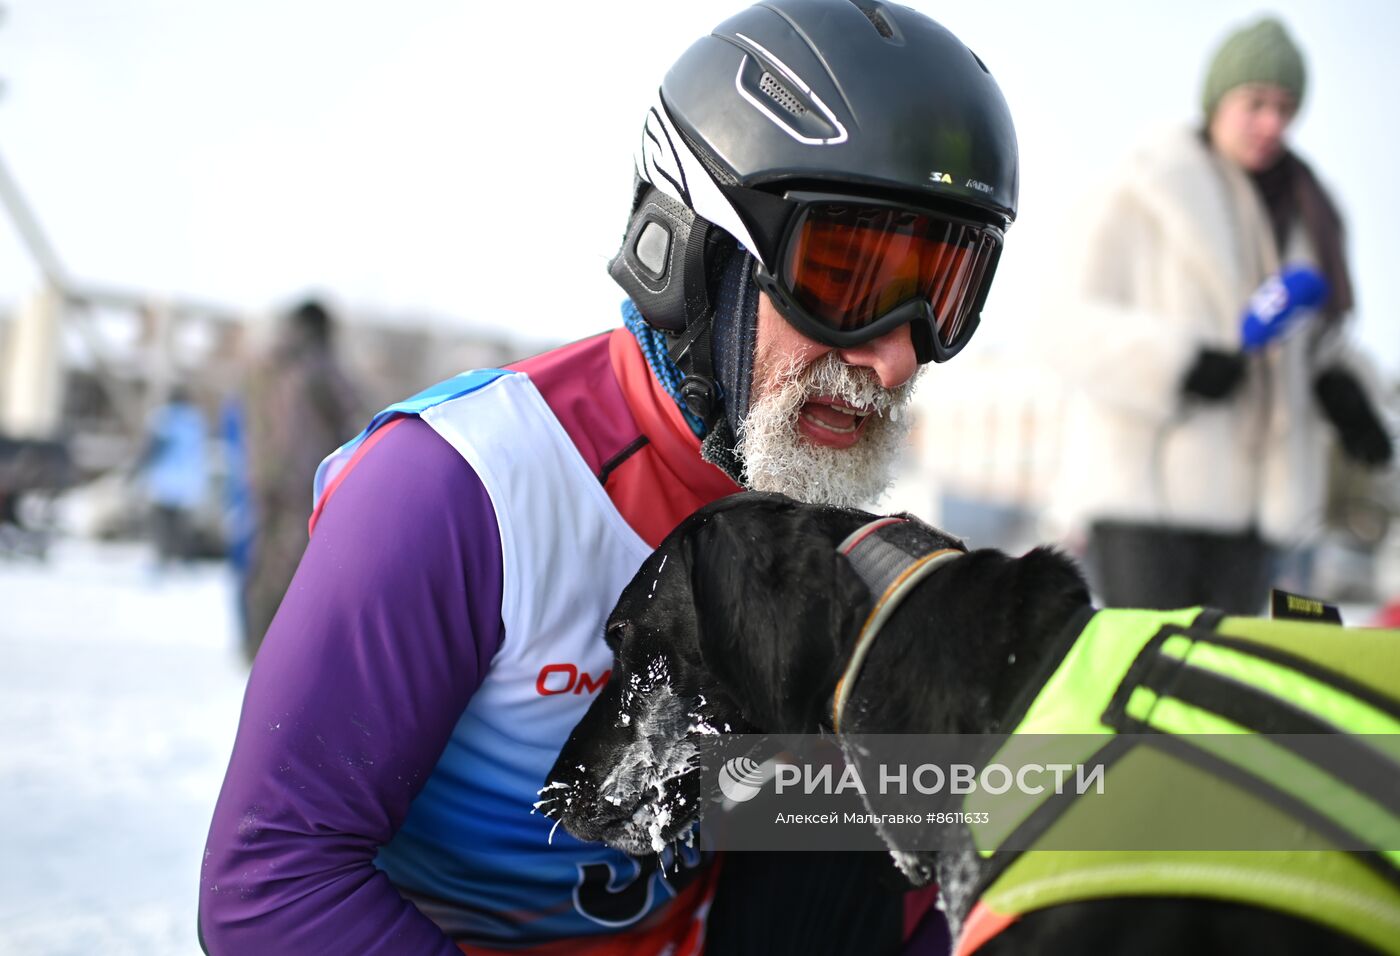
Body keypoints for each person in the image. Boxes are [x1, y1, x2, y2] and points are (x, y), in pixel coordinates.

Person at [199, 1, 1018, 953]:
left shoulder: (821, 530)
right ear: (690, 250)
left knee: (965, 794)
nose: (896, 359)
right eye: (848, 279)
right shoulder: (462, 490)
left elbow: (865, 875)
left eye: (946, 295)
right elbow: (271, 885)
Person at [1043, 15, 1392, 615]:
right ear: (1216, 100)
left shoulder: (1310, 213)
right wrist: (1177, 365)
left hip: (1258, 511)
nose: (1271, 124)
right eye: (1255, 103)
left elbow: (1319, 338)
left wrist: (1346, 390)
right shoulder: (1141, 190)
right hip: (1146, 501)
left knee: (1224, 683)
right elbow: (1062, 322)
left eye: (1286, 108)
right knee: (1150, 677)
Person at [239, 297, 362, 661]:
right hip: (305, 478)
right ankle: (282, 651)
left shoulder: (263, 362)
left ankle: (254, 642)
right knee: (296, 563)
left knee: (262, 556)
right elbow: (353, 412)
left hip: (263, 474)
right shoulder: (318, 363)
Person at [141, 384, 209, 566]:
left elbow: (151, 450)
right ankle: (187, 559)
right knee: (183, 527)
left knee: (163, 525)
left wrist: (139, 472)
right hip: (188, 482)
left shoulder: (163, 419)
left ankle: (164, 558)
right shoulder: (195, 420)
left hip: (165, 480)